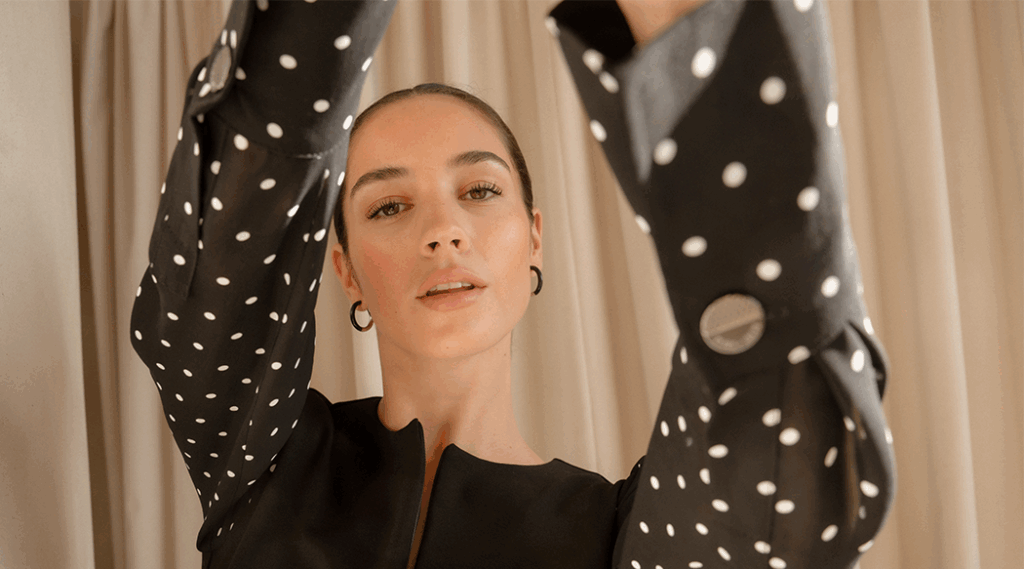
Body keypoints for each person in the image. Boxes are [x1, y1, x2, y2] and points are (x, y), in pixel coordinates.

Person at [129, 0, 896, 568]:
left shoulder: (615, 534)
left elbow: (783, 445)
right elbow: (236, 221)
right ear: (346, 268)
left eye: (480, 190)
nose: (443, 229)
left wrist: (690, 36)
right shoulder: (262, 462)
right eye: (389, 205)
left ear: (533, 237)